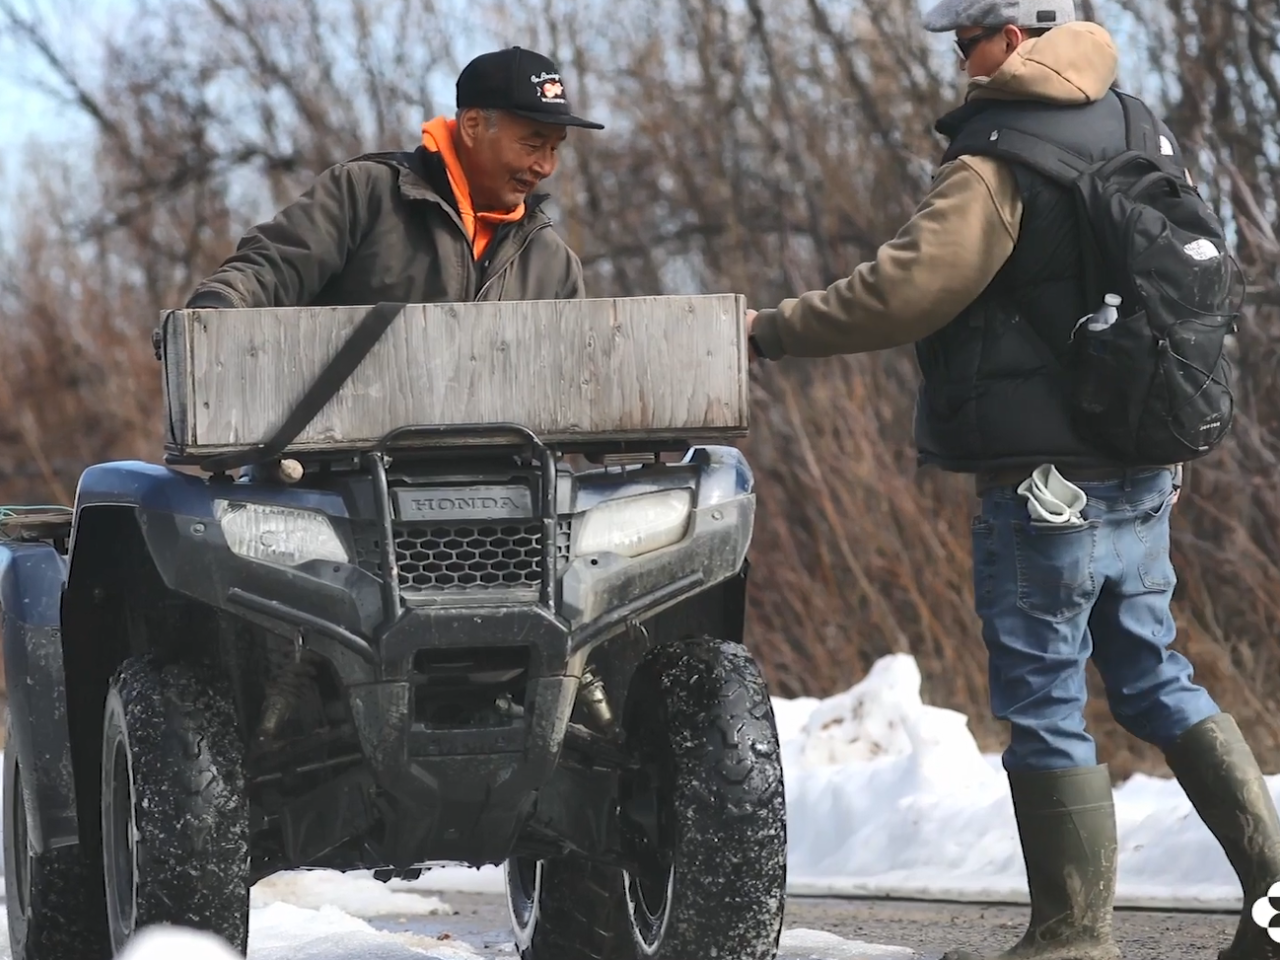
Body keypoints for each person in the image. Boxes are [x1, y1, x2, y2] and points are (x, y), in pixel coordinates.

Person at [746, 2, 1280, 959]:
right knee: (1157, 675)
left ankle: (1072, 937)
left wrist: (774, 329)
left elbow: (909, 286)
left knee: (1042, 697)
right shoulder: (1134, 119)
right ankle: (1276, 899)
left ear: (1021, 36)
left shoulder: (999, 157)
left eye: (971, 39)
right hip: (1142, 461)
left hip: (1042, 484)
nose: (959, 58)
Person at [184, 46, 603, 310]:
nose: (545, 166)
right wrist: (219, 307)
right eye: (532, 145)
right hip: (345, 451)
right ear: (473, 125)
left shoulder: (553, 262)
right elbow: (271, 267)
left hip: (499, 458)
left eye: (554, 148)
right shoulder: (363, 195)